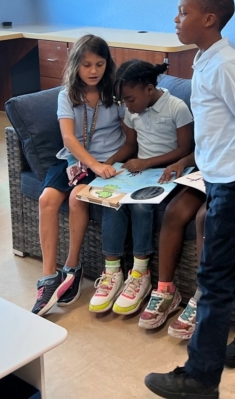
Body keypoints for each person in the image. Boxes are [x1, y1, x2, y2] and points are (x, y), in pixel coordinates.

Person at [144, 0, 235, 399]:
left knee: (213, 279)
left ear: (209, 19)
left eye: (183, 11)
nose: (176, 18)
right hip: (219, 179)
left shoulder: (227, 64)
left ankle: (199, 379)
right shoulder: (205, 59)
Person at [30, 35, 135, 316]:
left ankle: (72, 267)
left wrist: (107, 164)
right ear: (76, 64)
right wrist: (92, 165)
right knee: (46, 200)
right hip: (74, 160)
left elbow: (130, 135)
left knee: (77, 197)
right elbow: (68, 138)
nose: (93, 71)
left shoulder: (115, 94)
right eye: (86, 64)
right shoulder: (67, 95)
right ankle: (48, 277)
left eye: (99, 64)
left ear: (107, 64)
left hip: (107, 162)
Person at [88, 59, 196, 316]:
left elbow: (185, 149)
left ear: (149, 89)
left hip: (166, 175)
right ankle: (112, 272)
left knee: (140, 206)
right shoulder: (133, 111)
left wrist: (147, 162)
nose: (127, 105)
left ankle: (140, 273)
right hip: (139, 173)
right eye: (123, 100)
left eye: (130, 99)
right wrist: (107, 164)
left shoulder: (177, 107)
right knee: (113, 202)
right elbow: (130, 145)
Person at [140, 147, 235, 336]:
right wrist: (182, 162)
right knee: (174, 211)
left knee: (208, 217)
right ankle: (166, 290)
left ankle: (204, 297)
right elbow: (203, 149)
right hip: (211, 177)